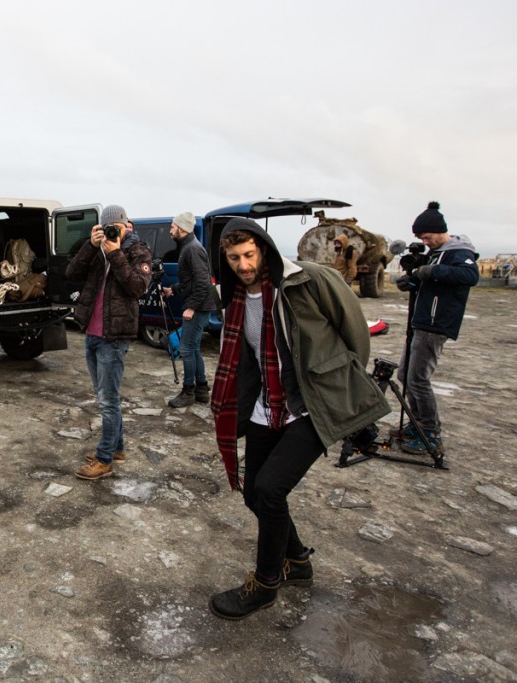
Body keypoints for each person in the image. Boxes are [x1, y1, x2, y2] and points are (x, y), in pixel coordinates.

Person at [208, 218, 389, 620]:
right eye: (234, 257)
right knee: (255, 493)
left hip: (310, 405)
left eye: (249, 255)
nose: (243, 264)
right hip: (266, 406)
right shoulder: (234, 298)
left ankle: (266, 584)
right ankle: (298, 561)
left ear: (265, 250)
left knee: (271, 490)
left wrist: (340, 382)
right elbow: (243, 359)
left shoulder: (309, 280)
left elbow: (355, 331)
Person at [66, 205, 153, 480]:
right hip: (92, 332)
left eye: (117, 226)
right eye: (108, 228)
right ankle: (117, 449)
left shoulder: (137, 251)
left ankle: (104, 460)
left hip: (114, 337)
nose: (113, 231)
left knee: (108, 401)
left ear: (128, 225)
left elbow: (138, 287)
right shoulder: (97, 250)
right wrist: (90, 247)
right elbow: (71, 273)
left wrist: (115, 254)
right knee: (105, 397)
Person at [394, 201, 479, 456]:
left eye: (426, 236)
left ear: (439, 230)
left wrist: (431, 271)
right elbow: (433, 283)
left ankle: (430, 435)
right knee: (404, 376)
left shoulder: (458, 252)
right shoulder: (436, 253)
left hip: (435, 324)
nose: (425, 241)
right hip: (421, 322)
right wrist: (412, 281)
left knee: (418, 379)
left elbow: (469, 276)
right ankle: (418, 424)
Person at [162, 211, 217, 408]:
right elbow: (190, 281)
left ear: (182, 229)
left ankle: (188, 391)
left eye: (173, 227)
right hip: (200, 305)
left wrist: (192, 307)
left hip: (199, 307)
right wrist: (173, 290)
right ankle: (202, 389)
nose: (171, 230)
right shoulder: (189, 247)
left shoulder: (192, 249)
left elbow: (203, 282)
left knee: (185, 348)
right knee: (193, 348)